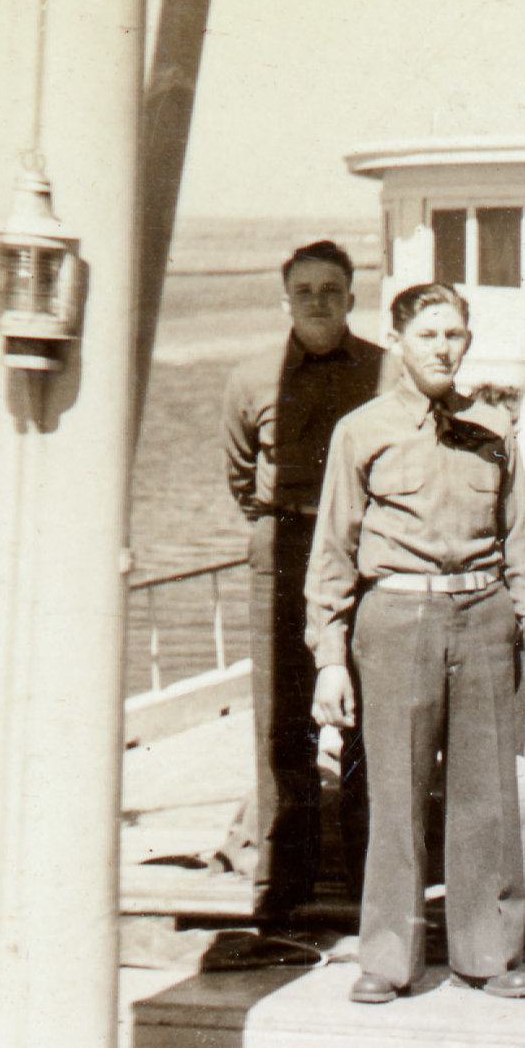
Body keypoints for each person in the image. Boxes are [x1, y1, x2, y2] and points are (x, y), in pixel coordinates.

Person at [307, 283, 525, 1004]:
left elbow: (523, 543)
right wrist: (329, 659)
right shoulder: (361, 431)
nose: (445, 348)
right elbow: (332, 552)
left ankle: (489, 953)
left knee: (487, 796)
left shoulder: (493, 429)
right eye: (429, 335)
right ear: (399, 340)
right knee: (396, 795)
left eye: (455, 335)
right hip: (396, 622)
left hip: (483, 618)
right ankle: (388, 959)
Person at [217, 240, 385, 922]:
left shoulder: (384, 370)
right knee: (284, 723)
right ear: (286, 297)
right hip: (284, 547)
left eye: (331, 289)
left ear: (351, 296)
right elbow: (238, 475)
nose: (318, 301)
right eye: (305, 290)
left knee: (368, 709)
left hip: (365, 553)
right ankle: (283, 880)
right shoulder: (252, 377)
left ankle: (371, 873)